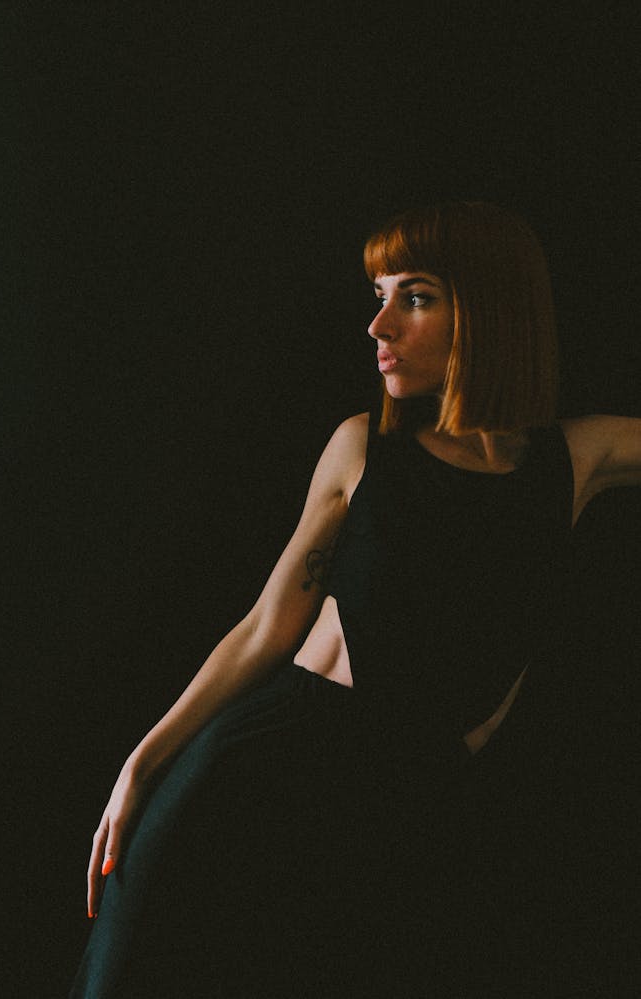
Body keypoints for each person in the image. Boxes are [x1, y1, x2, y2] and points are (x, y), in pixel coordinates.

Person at [70, 202, 641, 998]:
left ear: (489, 310)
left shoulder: (574, 462)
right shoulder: (364, 450)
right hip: (254, 786)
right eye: (380, 295)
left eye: (414, 297)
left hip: (400, 829)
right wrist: (142, 765)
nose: (378, 326)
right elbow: (268, 627)